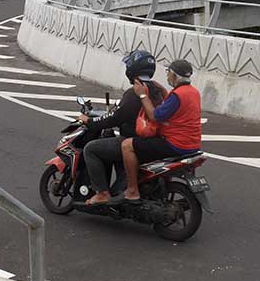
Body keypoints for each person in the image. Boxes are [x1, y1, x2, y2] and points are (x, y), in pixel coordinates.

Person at [79, 49, 164, 206]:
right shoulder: (157, 90)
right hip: (153, 141)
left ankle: (102, 193)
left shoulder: (134, 93)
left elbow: (115, 118)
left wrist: (89, 122)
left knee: (91, 149)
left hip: (134, 141)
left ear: (132, 69)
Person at [120, 59, 202, 202]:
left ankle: (132, 190)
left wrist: (142, 95)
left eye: (168, 72)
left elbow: (154, 116)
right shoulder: (193, 92)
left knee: (127, 145)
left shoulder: (177, 95)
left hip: (175, 144)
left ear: (174, 76)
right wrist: (164, 91)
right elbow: (175, 108)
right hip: (192, 145)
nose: (167, 76)